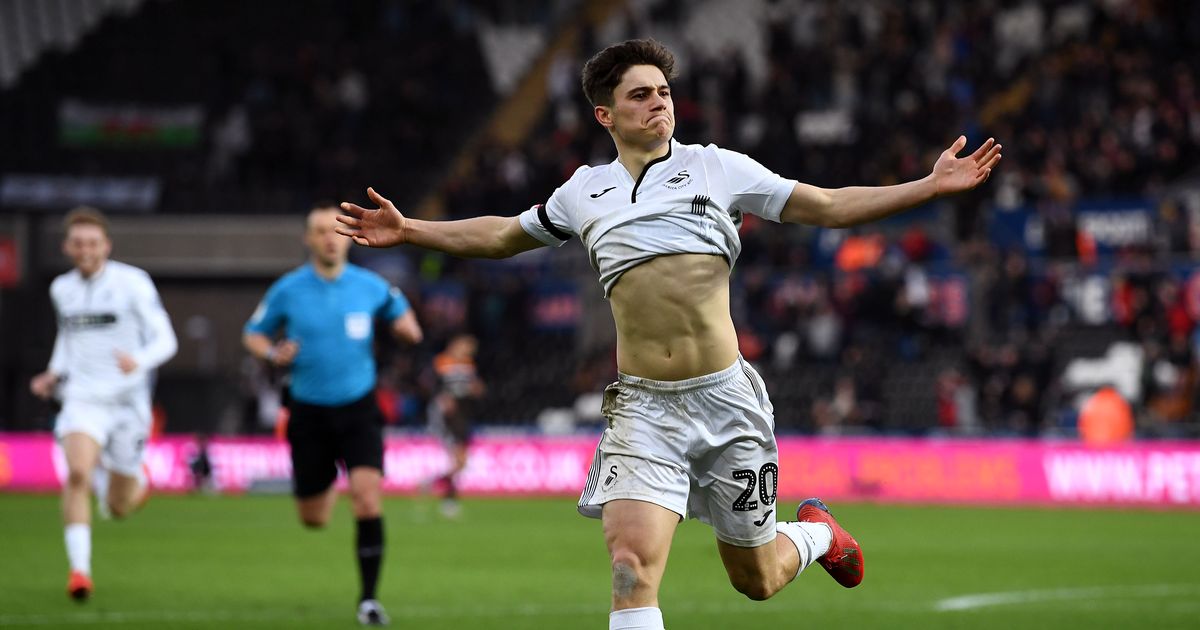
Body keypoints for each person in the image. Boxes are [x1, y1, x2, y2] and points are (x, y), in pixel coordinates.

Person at [336, 39, 1001, 630]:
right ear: (605, 114)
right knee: (629, 568)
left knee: (758, 579)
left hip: (727, 402)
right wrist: (413, 229)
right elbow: (504, 234)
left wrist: (927, 186)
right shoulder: (582, 191)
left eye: (664, 91)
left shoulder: (719, 168)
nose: (659, 103)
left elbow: (825, 205)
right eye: (640, 95)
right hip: (643, 410)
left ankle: (818, 536)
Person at [243, 203, 422, 627]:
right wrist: (272, 352)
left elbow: (410, 327)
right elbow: (253, 334)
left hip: (359, 408)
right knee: (314, 518)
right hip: (307, 412)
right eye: (319, 231)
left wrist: (405, 325)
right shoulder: (288, 289)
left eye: (334, 230)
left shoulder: (371, 286)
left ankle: (369, 600)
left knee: (366, 498)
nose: (328, 237)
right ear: (308, 239)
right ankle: (330, 480)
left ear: (347, 237)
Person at [29, 206, 178, 601]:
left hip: (128, 401)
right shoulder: (62, 289)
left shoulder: (133, 283)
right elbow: (68, 339)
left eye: (92, 242)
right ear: (67, 247)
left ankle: (134, 482)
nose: (85, 249)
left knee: (118, 505)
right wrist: (52, 374)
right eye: (78, 243)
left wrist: (139, 362)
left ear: (106, 246)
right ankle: (80, 572)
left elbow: (167, 340)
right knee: (77, 475)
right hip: (81, 397)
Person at [425, 333, 484, 517]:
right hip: (445, 418)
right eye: (467, 347)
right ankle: (449, 499)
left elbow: (474, 388)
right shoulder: (441, 362)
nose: (469, 352)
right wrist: (441, 399)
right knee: (458, 460)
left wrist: (477, 389)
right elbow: (429, 385)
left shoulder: (468, 365)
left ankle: (432, 484)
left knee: (461, 463)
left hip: (462, 416)